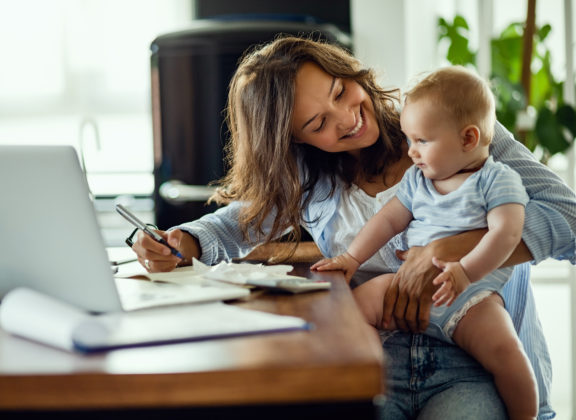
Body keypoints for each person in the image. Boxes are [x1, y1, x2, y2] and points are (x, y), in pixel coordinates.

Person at [132, 36, 576, 419]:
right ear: (294, 140)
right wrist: (182, 240)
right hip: (376, 357)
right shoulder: (311, 179)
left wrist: (449, 250)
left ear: (349, 71)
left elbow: (570, 219)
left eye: (341, 91)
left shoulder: (450, 122)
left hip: (475, 358)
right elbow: (235, 224)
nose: (347, 117)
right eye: (318, 123)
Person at [311, 66, 537, 420]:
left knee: (507, 352)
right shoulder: (418, 180)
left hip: (471, 296)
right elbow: (387, 220)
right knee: (352, 308)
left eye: (422, 141)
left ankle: (527, 414)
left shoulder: (497, 180)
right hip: (406, 284)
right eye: (409, 139)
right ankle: (372, 378)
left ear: (467, 139)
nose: (411, 152)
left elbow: (506, 235)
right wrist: (352, 258)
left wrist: (464, 271)